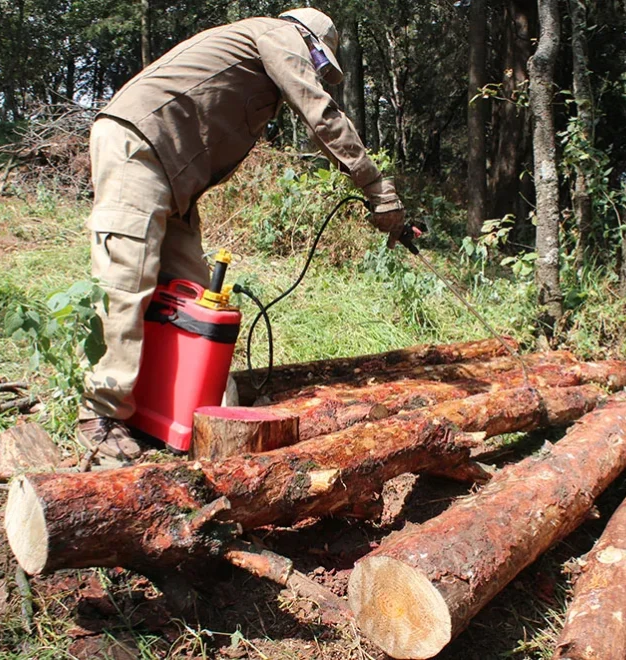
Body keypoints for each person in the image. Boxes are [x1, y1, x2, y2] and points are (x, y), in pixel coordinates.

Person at [77, 8, 406, 458]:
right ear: (309, 43)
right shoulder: (279, 34)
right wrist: (376, 186)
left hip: (174, 176)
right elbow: (320, 113)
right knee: (126, 278)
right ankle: (99, 416)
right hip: (142, 147)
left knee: (192, 299)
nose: (317, 73)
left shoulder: (258, 58)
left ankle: (178, 414)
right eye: (318, 63)